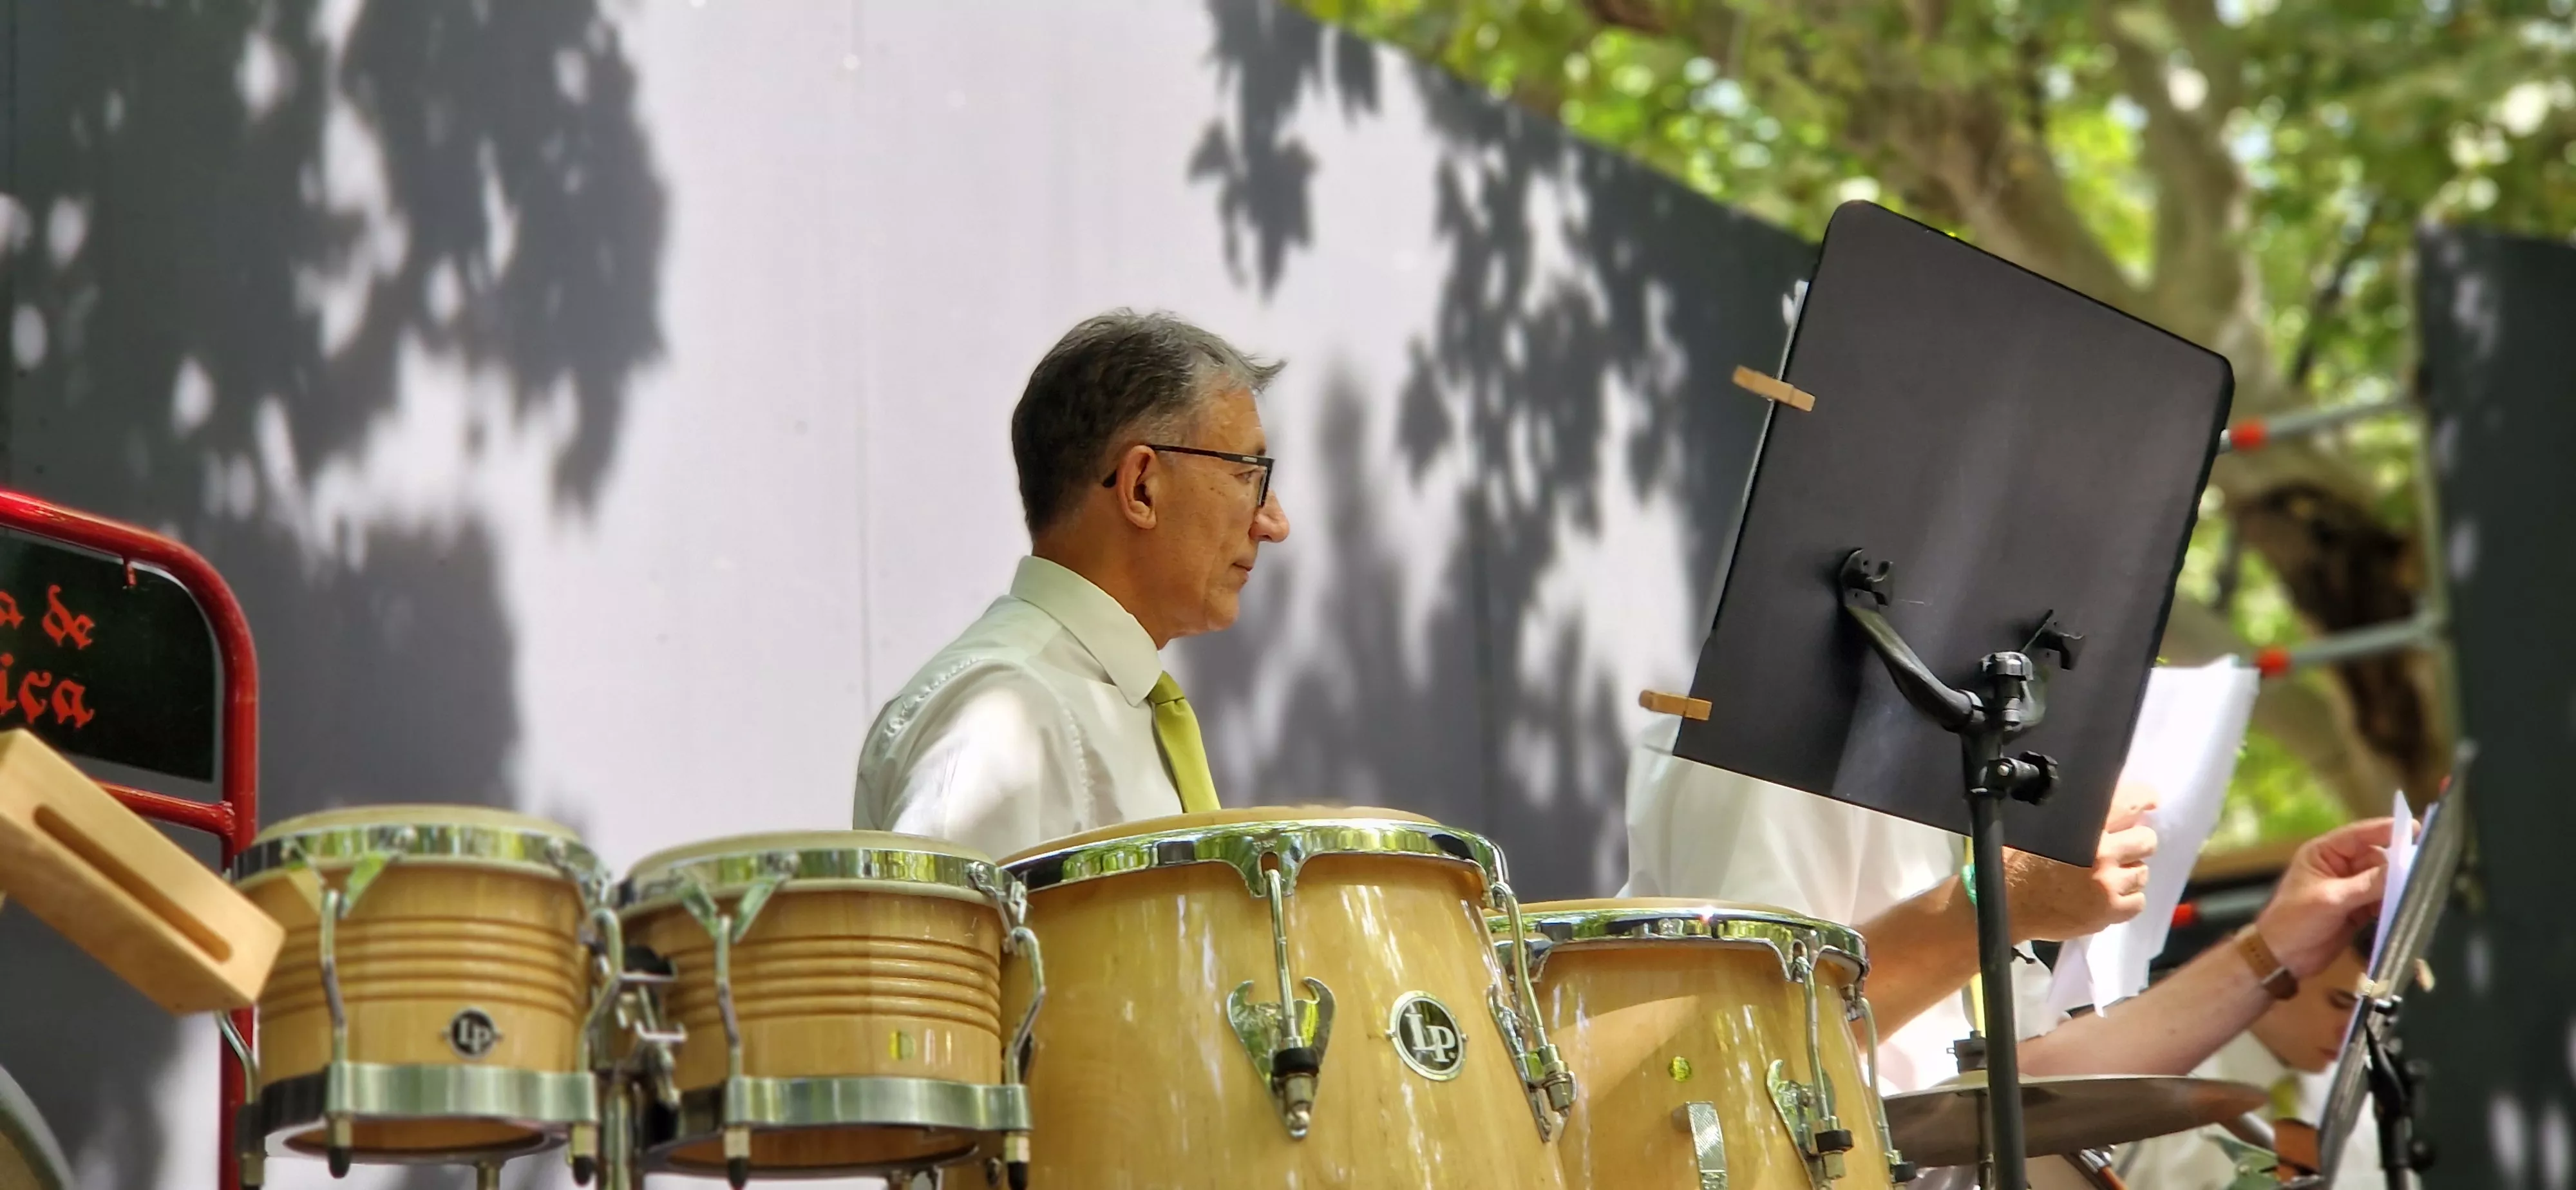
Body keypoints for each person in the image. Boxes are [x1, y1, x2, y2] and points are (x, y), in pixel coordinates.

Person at [1623, 718, 2393, 1094]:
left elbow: (2030, 1092)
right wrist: (1994, 902)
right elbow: (1738, 1059)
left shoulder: (1981, 778)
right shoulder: (1772, 743)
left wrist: (2277, 949)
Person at [853, 310, 1291, 860]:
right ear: (1142, 488)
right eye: (1249, 475)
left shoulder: (1068, 703)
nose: (1274, 523)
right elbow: (928, 945)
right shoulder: (1006, 714)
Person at [2113, 932, 2380, 1187]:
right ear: (2277, 976)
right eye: (2341, 1003)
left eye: (2368, 1011)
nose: (2351, 1031)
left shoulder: (2355, 1105)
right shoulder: (2160, 1095)